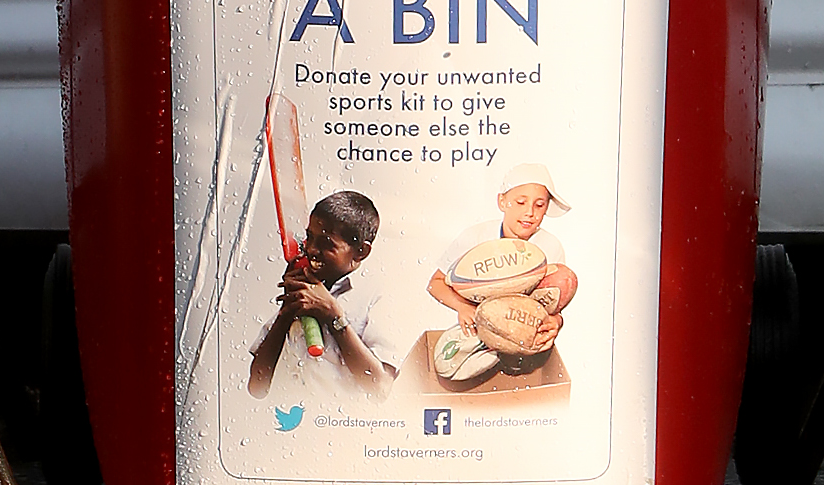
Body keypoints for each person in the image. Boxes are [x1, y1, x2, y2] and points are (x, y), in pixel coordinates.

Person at [248, 191, 396, 401]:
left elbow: (379, 387)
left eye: (326, 243)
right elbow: (257, 386)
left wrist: (333, 316)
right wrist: (287, 311)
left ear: (361, 251)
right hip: (287, 425)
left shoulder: (377, 296)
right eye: (309, 237)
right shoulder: (305, 291)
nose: (311, 249)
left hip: (339, 426)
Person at [429, 165, 579, 335]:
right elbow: (435, 284)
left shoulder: (550, 246)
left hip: (524, 339)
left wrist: (556, 321)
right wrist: (463, 307)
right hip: (477, 337)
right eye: (521, 202)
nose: (529, 212)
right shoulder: (475, 237)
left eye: (539, 205)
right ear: (502, 202)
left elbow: (553, 306)